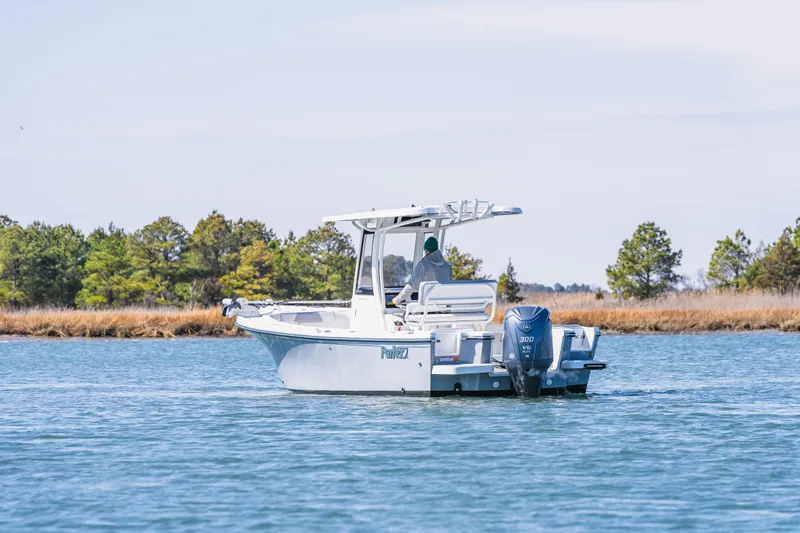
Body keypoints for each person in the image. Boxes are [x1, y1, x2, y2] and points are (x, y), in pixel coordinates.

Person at [392, 236, 452, 305]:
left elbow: (411, 286)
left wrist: (397, 300)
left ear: (426, 250)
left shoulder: (423, 264)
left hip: (427, 307)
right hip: (443, 306)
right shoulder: (447, 266)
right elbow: (449, 287)